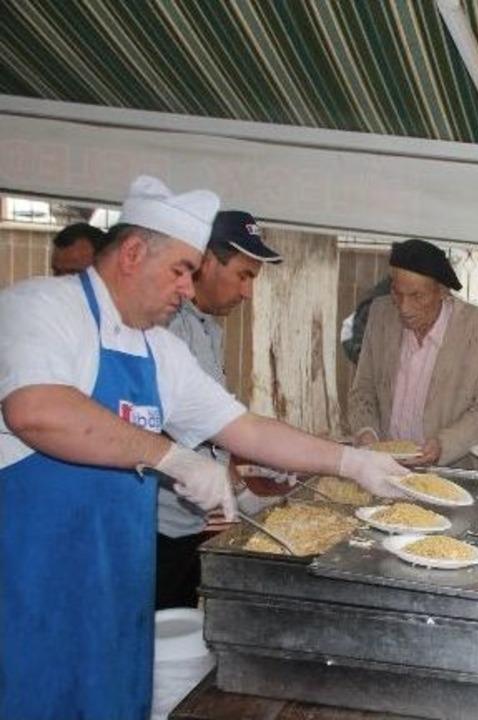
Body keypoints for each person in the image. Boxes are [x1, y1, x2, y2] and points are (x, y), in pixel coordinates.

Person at [0, 175, 406, 719]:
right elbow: (37, 411)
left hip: (118, 585)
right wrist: (171, 455)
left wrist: (351, 461)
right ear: (134, 253)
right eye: (180, 270)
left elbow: (247, 430)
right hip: (30, 590)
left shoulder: (159, 350)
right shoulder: (40, 306)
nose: (188, 289)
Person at [157, 209, 284, 609]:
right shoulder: (170, 327)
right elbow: (172, 427)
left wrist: (253, 467)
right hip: (159, 527)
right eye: (243, 276)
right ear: (206, 262)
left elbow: (216, 425)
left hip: (191, 523)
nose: (247, 293)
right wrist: (243, 489)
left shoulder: (206, 326)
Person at [348, 238, 478, 467]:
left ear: (442, 292)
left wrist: (444, 444)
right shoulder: (380, 314)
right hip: (385, 466)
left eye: (417, 296)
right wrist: (367, 431)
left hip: (451, 473)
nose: (404, 307)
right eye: (397, 293)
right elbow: (363, 388)